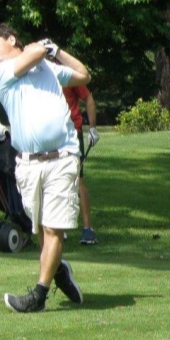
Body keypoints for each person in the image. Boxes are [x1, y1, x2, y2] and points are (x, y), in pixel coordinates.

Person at [0, 23, 90, 313]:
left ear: (11, 39)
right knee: (42, 229)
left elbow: (83, 75)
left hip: (62, 157)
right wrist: (41, 48)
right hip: (28, 164)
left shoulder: (48, 69)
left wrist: (58, 51)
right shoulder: (0, 74)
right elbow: (33, 55)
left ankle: (38, 296)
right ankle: (58, 270)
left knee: (53, 229)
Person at [62, 84, 100, 245]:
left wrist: (92, 128)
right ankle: (58, 227)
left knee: (78, 179)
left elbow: (88, 98)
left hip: (72, 133)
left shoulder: (68, 73)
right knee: (53, 180)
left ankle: (87, 229)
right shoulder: (38, 71)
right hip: (50, 135)